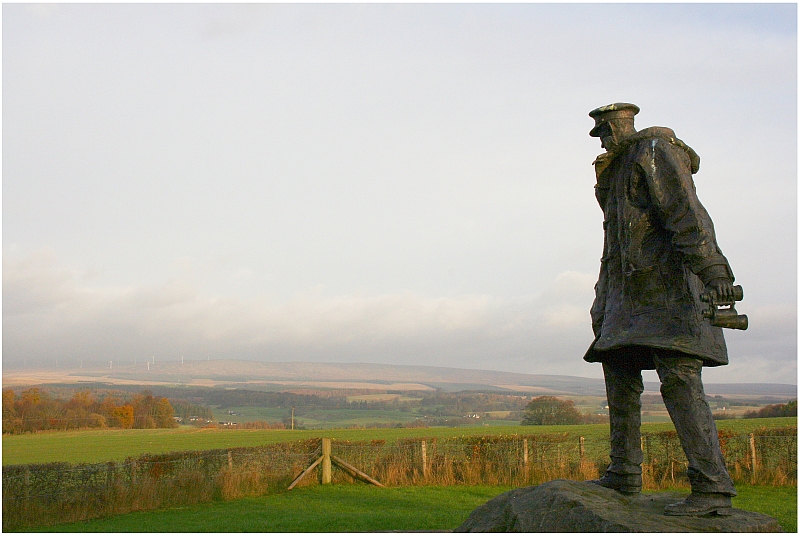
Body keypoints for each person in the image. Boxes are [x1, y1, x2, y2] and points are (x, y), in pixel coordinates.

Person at [585, 103, 738, 516]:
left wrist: (714, 271)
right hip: (626, 296)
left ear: (626, 124)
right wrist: (604, 297)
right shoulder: (614, 171)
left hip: (667, 291)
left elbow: (685, 213)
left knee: (679, 378)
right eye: (600, 135)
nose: (605, 139)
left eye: (608, 130)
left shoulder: (654, 150)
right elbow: (615, 242)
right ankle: (624, 472)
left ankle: (712, 487)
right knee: (618, 370)